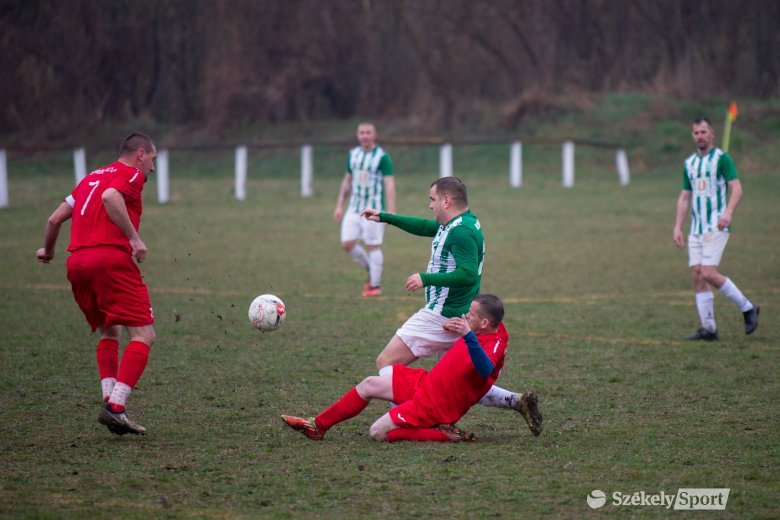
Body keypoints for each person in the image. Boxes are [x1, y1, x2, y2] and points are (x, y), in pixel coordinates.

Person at [362, 177, 541, 435]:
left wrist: (426, 278)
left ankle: (416, 416)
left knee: (386, 361)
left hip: (441, 314)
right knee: (454, 383)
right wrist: (386, 217)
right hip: (459, 317)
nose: (430, 206)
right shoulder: (461, 222)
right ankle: (516, 400)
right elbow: (426, 226)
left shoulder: (461, 232)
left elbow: (468, 274)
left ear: (447, 200)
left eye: (432, 200)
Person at [282, 294, 537, 442]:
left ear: (483, 322)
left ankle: (445, 435)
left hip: (436, 405)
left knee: (377, 432)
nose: (465, 317)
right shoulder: (487, 326)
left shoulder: (495, 343)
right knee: (370, 383)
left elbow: (484, 369)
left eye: (470, 315)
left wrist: (468, 335)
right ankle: (318, 427)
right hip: (426, 383)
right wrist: (459, 327)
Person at [36, 133, 158, 435]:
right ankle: (115, 407)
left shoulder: (91, 177)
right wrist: (133, 237)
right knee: (144, 334)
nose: (153, 168)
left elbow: (54, 220)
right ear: (140, 154)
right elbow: (111, 198)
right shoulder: (130, 174)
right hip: (109, 261)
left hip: (77, 264)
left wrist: (48, 251)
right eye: (153, 160)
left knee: (110, 328)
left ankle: (108, 396)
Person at [673, 117, 759, 340]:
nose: (700, 136)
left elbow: (737, 188)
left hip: (716, 225)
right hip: (696, 228)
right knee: (697, 276)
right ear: (692, 136)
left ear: (712, 134)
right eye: (696, 133)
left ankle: (748, 307)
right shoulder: (689, 163)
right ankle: (709, 329)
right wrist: (677, 227)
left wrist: (728, 212)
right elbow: (684, 197)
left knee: (708, 273)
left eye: (704, 132)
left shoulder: (722, 158)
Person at [333, 122, 396, 297]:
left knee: (372, 245)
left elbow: (389, 183)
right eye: (362, 133)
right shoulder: (353, 155)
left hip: (373, 209)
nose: (365, 136)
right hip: (353, 208)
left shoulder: (382, 157)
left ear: (374, 136)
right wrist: (339, 205)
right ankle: (371, 267)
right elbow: (347, 180)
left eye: (368, 132)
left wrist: (390, 210)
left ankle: (374, 286)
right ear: (358, 135)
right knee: (347, 244)